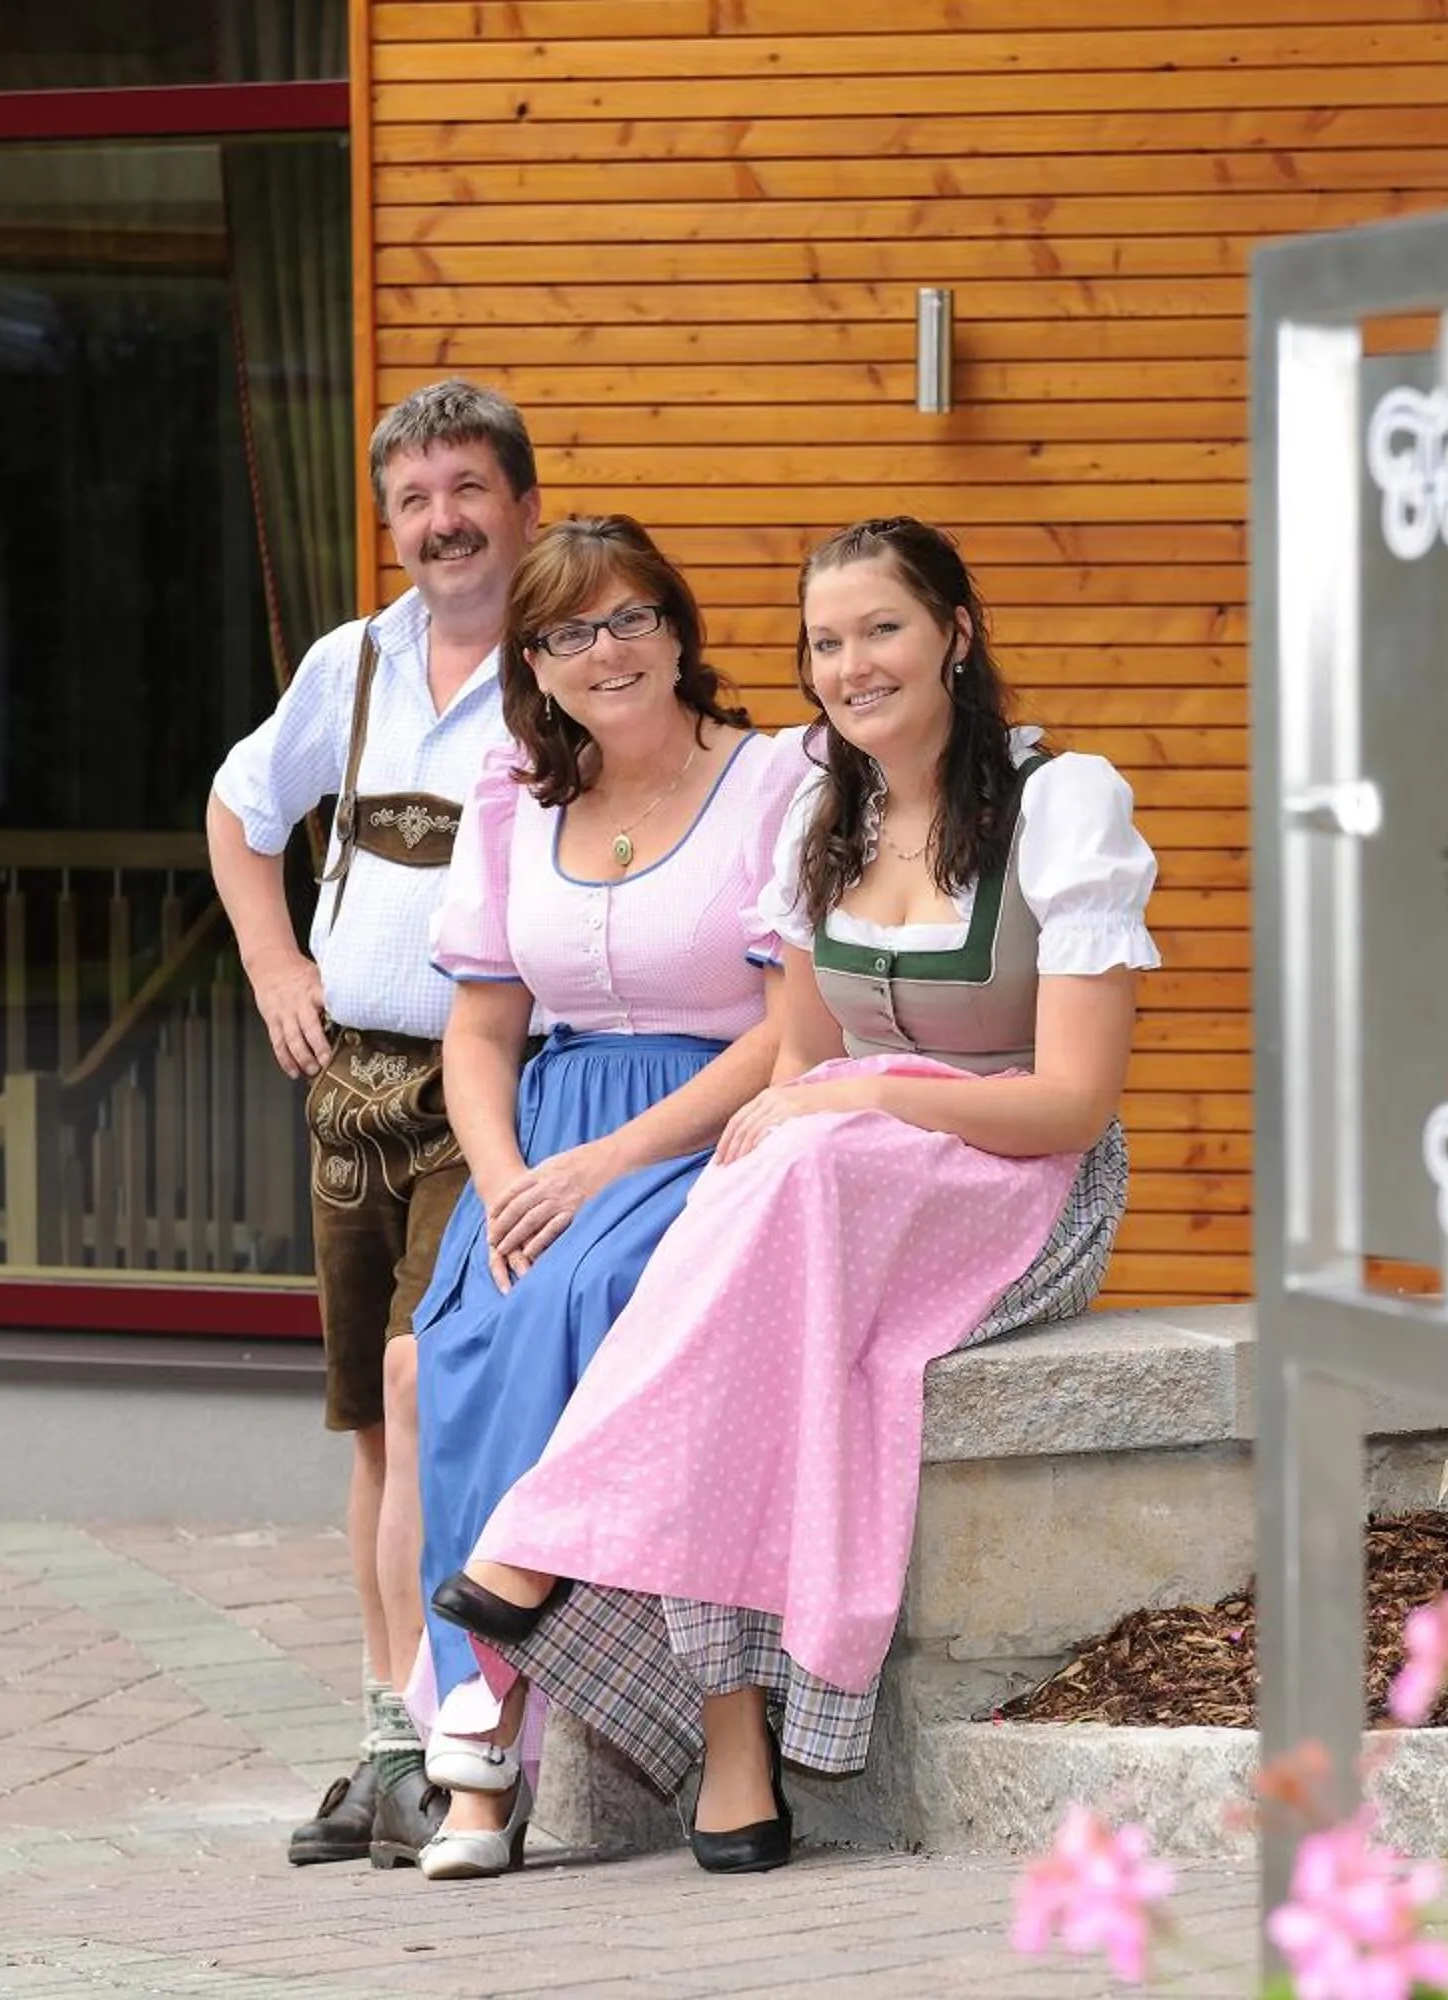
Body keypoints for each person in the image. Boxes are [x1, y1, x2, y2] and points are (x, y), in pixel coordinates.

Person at [427, 515, 1158, 1875]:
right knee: (762, 1234)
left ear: (957, 632)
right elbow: (804, 1068)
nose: (853, 664)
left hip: (1023, 1188)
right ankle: (738, 1764)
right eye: (826, 643)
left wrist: (869, 1096)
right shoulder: (832, 815)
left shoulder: (1060, 803)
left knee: (794, 1163)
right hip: (861, 1179)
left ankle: (539, 1541)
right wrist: (827, 1106)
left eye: (882, 628)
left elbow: (1072, 1106)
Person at [401, 515, 803, 1881]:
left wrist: (607, 1165)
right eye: (567, 632)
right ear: (535, 662)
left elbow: (788, 1033)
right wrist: (510, 1177)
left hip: (709, 1133)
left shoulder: (776, 781)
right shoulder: (516, 801)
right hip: (543, 1150)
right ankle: (480, 1735)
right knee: (464, 1343)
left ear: (679, 631)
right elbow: (477, 1035)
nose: (604, 650)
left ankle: (504, 1735)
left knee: (604, 1303)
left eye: (628, 617)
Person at [205, 379, 538, 1870]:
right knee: (364, 1428)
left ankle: (456, 1733)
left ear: (522, 504)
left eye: (466, 488)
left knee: (423, 1393)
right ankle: (386, 1746)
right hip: (352, 1088)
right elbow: (238, 810)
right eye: (413, 499)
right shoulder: (348, 667)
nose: (441, 521)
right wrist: (277, 963)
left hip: (499, 1087)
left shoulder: (569, 657)